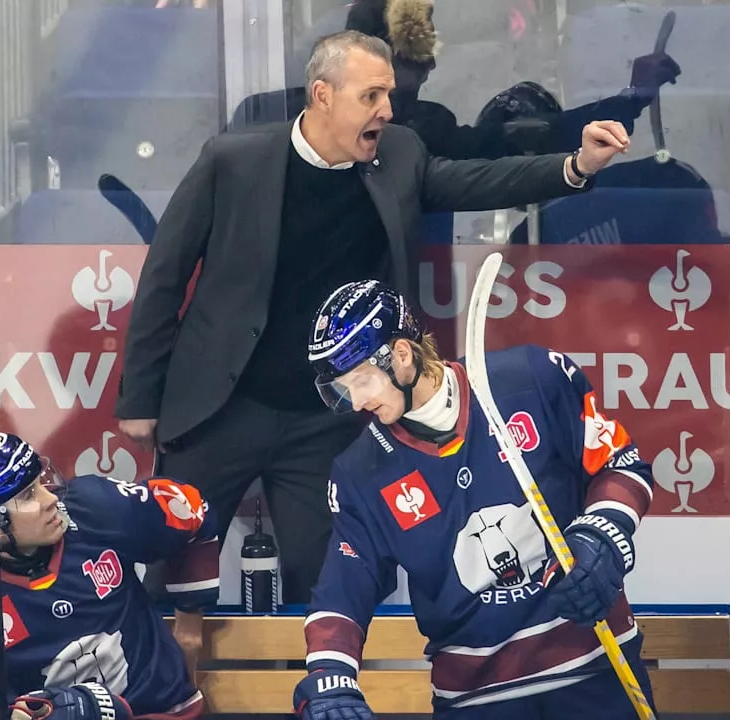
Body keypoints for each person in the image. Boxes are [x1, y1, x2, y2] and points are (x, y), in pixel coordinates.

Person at [116, 29, 630, 604]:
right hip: (219, 407)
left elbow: (476, 180)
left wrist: (576, 165)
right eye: (371, 96)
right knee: (174, 586)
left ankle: (317, 693)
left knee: (328, 586)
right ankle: (174, 694)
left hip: (323, 418)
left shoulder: (400, 155)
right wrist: (140, 397)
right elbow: (165, 275)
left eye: (388, 96)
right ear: (322, 95)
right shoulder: (233, 161)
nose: (387, 110)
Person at [292, 280, 658, 719]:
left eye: (362, 381)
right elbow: (343, 588)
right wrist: (332, 676)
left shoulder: (531, 379)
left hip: (593, 667)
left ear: (402, 356)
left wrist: (603, 537)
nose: (355, 402)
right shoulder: (360, 473)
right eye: (343, 388)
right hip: (475, 698)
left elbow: (620, 463)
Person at [0, 432, 218, 720]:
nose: (51, 500)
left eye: (41, 482)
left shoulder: (97, 507)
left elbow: (191, 506)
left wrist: (189, 628)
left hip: (164, 712)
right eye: (29, 494)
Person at [232, 0, 681, 160]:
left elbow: (518, 146)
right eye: (376, 88)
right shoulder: (259, 122)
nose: (386, 107)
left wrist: (631, 99)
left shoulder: (426, 131)